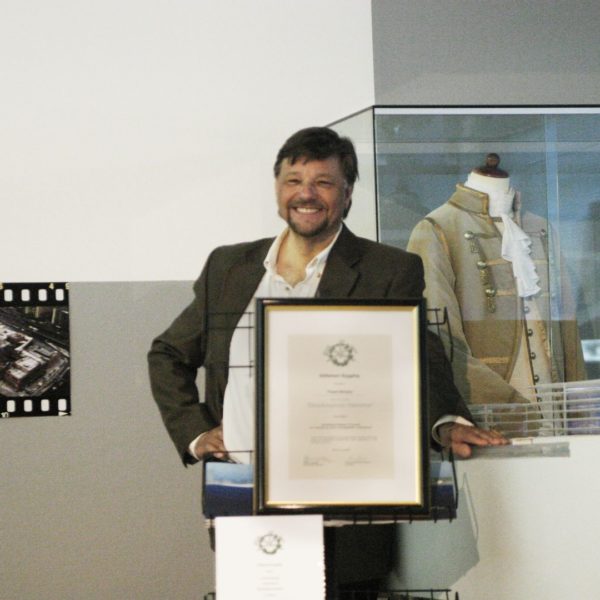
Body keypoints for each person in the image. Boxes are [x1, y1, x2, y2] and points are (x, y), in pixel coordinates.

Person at [148, 127, 507, 597]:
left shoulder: (387, 269)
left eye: (323, 182)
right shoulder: (229, 267)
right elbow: (169, 353)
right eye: (293, 180)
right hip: (247, 499)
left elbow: (418, 353)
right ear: (277, 189)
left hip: (351, 506)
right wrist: (196, 433)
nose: (306, 194)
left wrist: (445, 421)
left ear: (348, 193)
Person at [407, 153, 586, 435]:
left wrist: (580, 418)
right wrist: (509, 408)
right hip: (489, 420)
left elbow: (568, 332)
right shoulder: (437, 229)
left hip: (556, 417)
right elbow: (443, 341)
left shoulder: (540, 228)